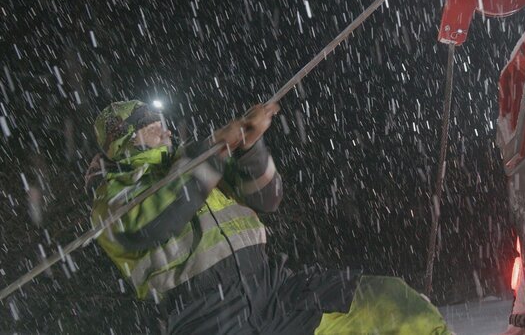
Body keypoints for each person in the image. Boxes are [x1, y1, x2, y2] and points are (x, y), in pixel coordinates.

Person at [87, 100, 451, 334]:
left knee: (384, 299)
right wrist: (212, 150)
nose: (165, 130)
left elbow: (268, 197)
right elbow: (151, 223)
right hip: (206, 319)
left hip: (273, 291)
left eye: (162, 122)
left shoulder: (194, 162)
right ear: (126, 139)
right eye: (152, 127)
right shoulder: (113, 196)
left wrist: (248, 150)